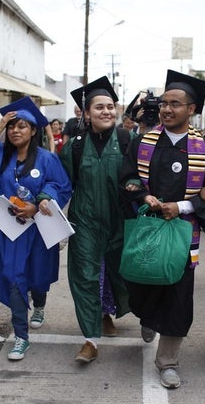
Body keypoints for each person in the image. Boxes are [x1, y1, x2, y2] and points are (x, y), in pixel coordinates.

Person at [120, 70, 205, 389]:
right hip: (148, 230)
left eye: (175, 104)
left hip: (182, 234)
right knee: (143, 290)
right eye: (164, 103)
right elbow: (127, 179)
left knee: (178, 298)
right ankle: (147, 318)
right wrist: (143, 196)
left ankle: (168, 361)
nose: (167, 109)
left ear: (191, 109)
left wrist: (182, 207)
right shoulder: (143, 142)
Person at [0, 97, 72, 361]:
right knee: (13, 277)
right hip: (10, 232)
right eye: (11, 126)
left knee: (37, 277)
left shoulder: (46, 158)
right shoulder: (1, 158)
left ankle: (39, 304)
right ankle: (21, 336)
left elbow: (61, 185)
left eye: (22, 126)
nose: (15, 130)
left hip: (39, 229)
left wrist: (41, 199)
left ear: (33, 131)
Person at [59, 76, 132, 363]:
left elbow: (144, 175)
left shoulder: (128, 140)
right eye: (99, 107)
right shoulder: (74, 147)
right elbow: (61, 184)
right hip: (85, 221)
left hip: (122, 220)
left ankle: (145, 316)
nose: (106, 112)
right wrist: (41, 199)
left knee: (128, 274)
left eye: (110, 107)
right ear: (86, 113)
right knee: (85, 277)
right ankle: (90, 339)